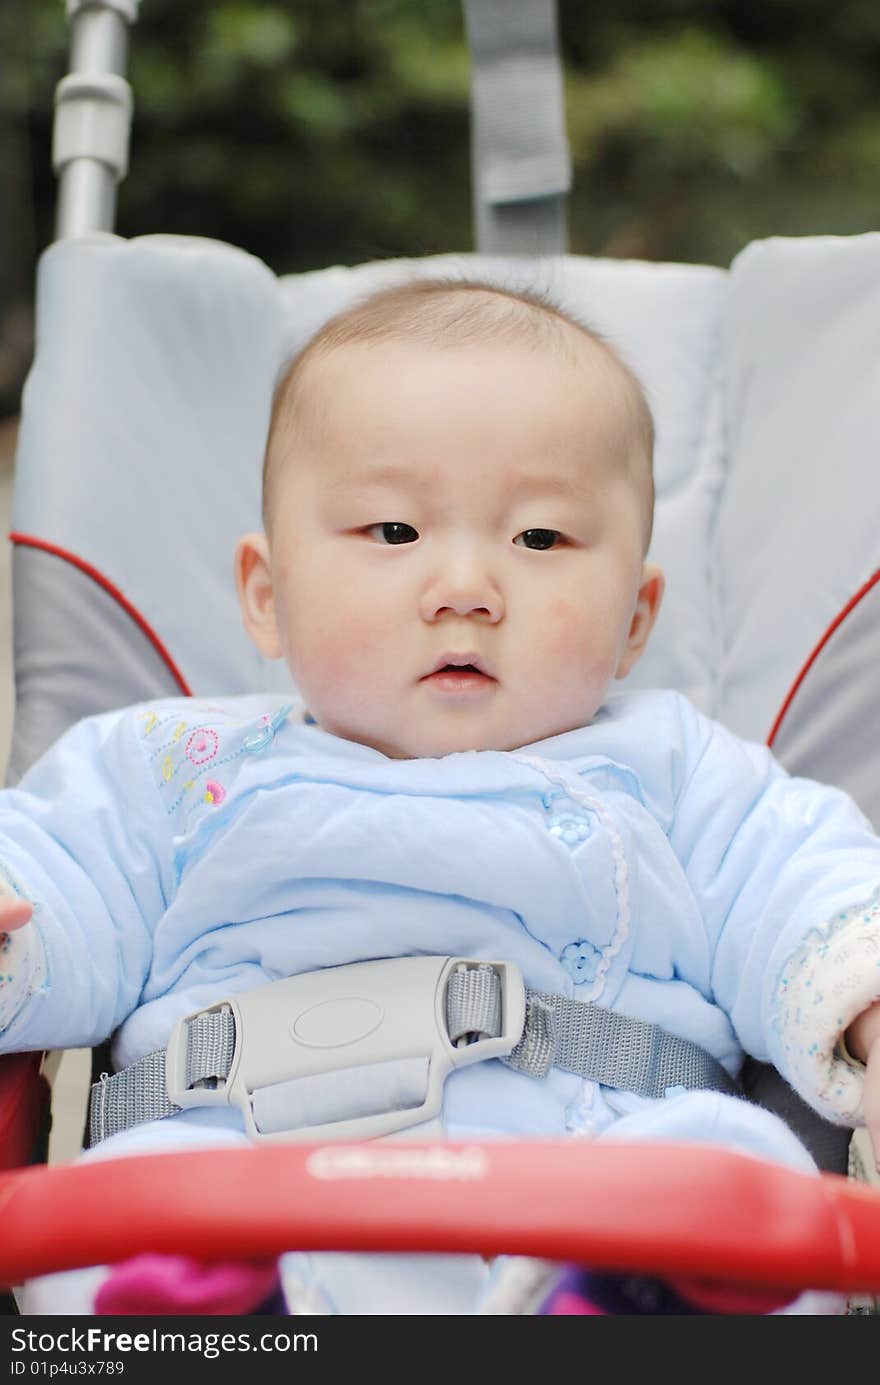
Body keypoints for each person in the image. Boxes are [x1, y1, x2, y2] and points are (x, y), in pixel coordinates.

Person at [2, 278, 879, 1316]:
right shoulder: (164, 762)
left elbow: (810, 891)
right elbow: (51, 877)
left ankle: (630, 1298)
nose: (464, 586)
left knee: (728, 1158)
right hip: (231, 1158)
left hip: (589, 1172)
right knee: (113, 1199)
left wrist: (862, 1000)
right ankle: (215, 1307)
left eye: (540, 539)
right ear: (267, 594)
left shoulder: (682, 766)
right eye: (392, 531)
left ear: (635, 617)